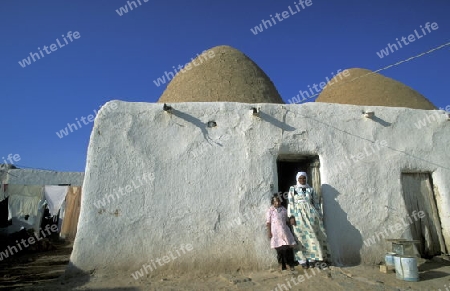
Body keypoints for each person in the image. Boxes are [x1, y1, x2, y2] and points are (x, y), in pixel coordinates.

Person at [288, 172, 328, 269]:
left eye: (304, 178)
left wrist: (319, 215)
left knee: (312, 236)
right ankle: (302, 260)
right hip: (298, 216)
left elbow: (316, 202)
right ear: (297, 179)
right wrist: (291, 216)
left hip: (311, 214)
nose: (302, 180)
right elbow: (290, 203)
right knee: (300, 237)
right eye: (300, 178)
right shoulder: (293, 189)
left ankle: (311, 259)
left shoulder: (311, 189)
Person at [266, 194, 296, 271]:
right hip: (275, 232)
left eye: (279, 201)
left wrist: (291, 220)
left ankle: (286, 263)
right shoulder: (270, 210)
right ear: (273, 202)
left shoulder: (283, 209)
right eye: (276, 201)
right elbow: (268, 222)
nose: (278, 203)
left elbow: (286, 220)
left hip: (284, 231)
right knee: (279, 249)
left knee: (285, 247)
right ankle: (280, 264)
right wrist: (269, 232)